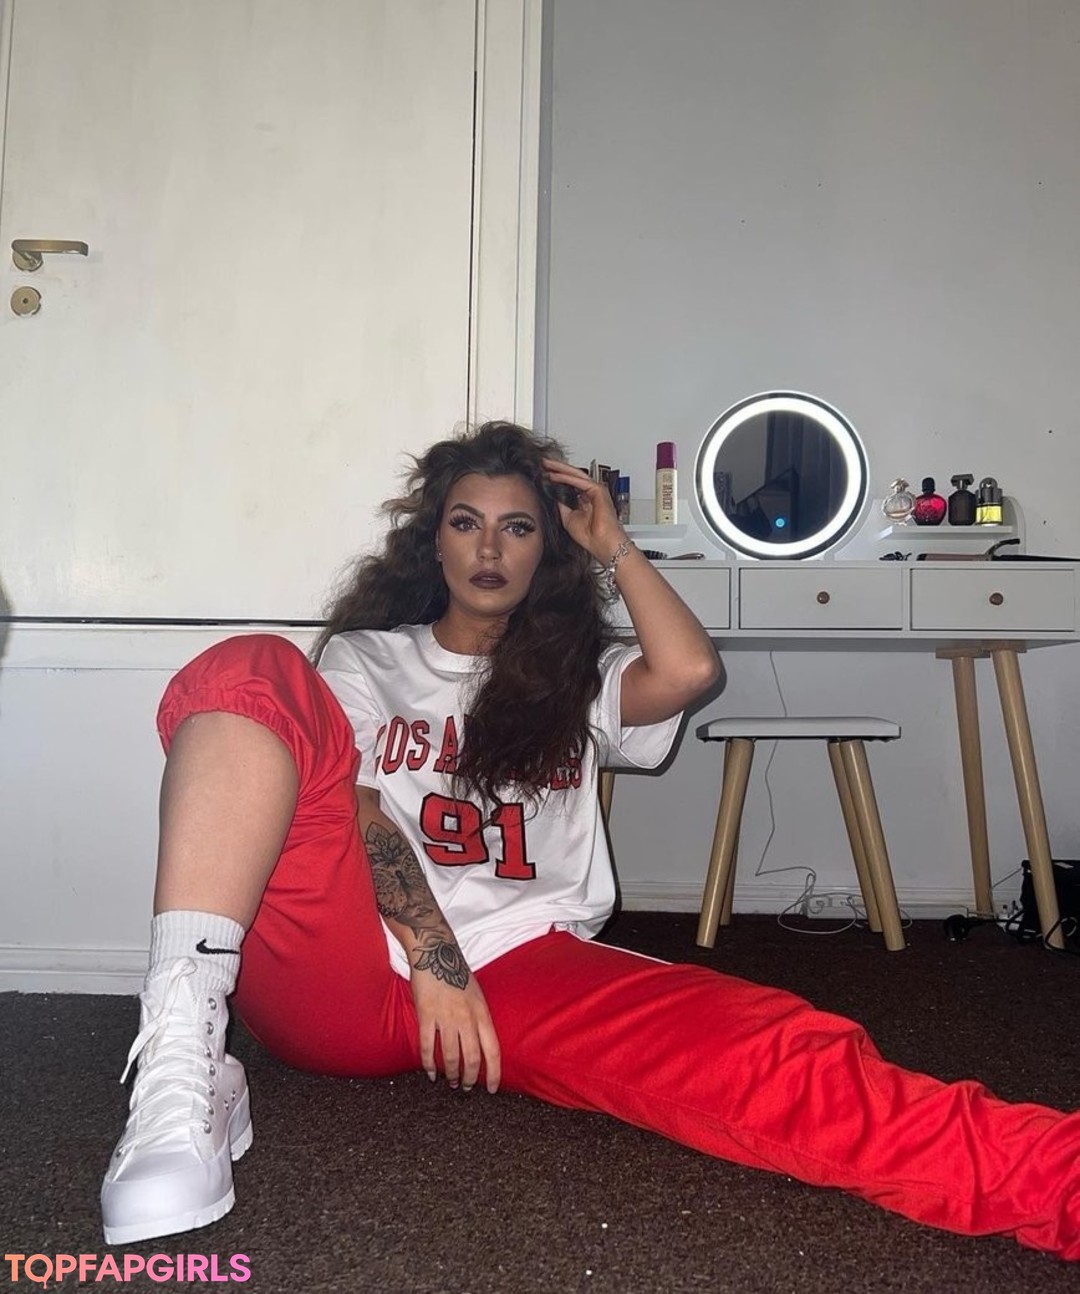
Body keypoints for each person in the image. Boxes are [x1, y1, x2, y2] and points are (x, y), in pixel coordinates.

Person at [100, 421, 1080, 1261]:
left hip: (525, 967)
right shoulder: (369, 658)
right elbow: (354, 811)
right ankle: (181, 1067)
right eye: (466, 522)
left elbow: (687, 670)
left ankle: (1056, 1180)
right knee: (250, 668)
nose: (490, 547)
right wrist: (436, 961)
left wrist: (615, 546)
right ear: (432, 542)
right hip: (346, 964)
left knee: (778, 1053)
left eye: (519, 526)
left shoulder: (580, 674)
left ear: (548, 550)